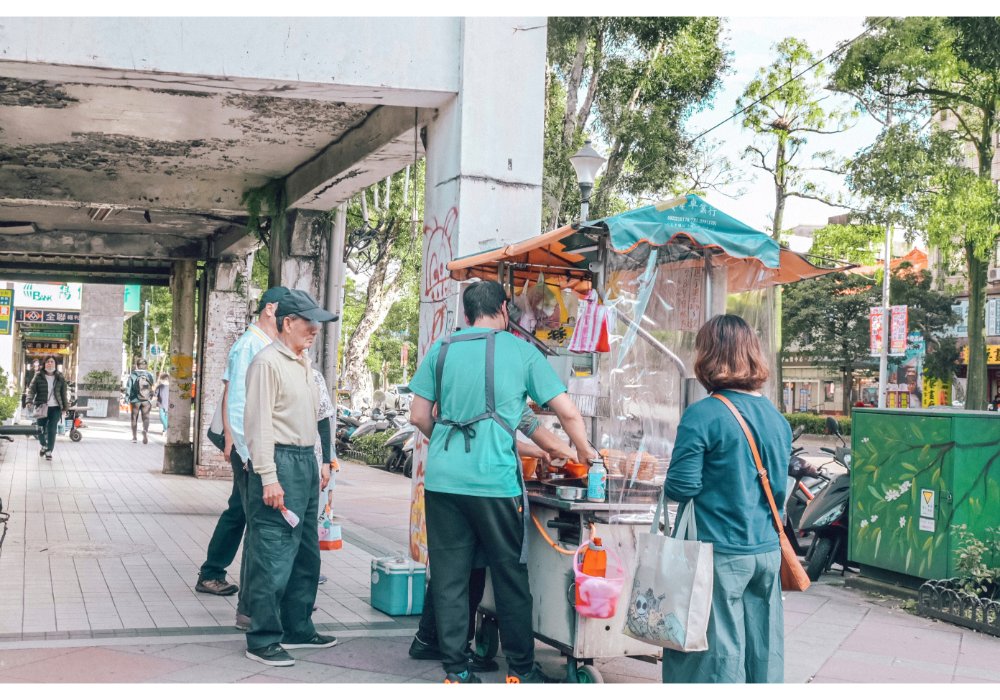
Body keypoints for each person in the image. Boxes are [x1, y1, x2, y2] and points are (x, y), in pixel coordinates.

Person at [408, 280, 594, 684]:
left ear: (466, 313)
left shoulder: (440, 350)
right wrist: (587, 455)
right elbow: (568, 413)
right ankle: (523, 670)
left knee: (450, 575)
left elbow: (419, 416)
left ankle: (456, 670)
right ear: (505, 309)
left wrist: (446, 446)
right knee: (509, 575)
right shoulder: (521, 351)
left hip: (443, 483)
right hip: (494, 485)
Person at [661, 314, 790, 684]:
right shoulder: (776, 418)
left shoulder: (703, 415)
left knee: (715, 659)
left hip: (720, 555)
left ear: (709, 356)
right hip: (765, 553)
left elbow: (681, 487)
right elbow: (779, 490)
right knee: (761, 654)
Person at [408, 408, 577, 671]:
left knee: (457, 567)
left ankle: (435, 642)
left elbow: (492, 431)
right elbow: (512, 429)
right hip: (482, 483)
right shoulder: (497, 380)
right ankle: (499, 663)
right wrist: (573, 452)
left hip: (449, 480)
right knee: (481, 569)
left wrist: (537, 451)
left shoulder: (455, 377)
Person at [242, 289, 339, 667]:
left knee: (305, 553)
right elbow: (258, 425)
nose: (316, 329)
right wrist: (268, 476)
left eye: (318, 323)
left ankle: (298, 626)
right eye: (309, 322)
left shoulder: (302, 362)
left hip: (304, 462)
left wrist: (322, 463)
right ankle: (263, 637)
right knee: (273, 553)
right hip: (279, 461)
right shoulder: (267, 363)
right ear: (287, 322)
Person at [195, 286, 287, 632]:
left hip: (249, 445)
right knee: (251, 515)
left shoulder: (262, 343)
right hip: (248, 448)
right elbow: (234, 397)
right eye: (286, 312)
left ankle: (214, 572)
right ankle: (230, 584)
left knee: (239, 511)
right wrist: (244, 449)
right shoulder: (250, 344)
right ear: (270, 309)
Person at [311, 366, 338, 584]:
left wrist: (327, 462)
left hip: (314, 460)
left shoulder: (314, 376)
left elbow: (324, 421)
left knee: (312, 520)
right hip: (283, 462)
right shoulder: (268, 367)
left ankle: (308, 572)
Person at [28, 356, 69, 461]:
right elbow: (31, 390)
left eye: (52, 362)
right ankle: (44, 445)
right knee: (40, 429)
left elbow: (63, 393)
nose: (50, 364)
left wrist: (65, 407)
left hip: (55, 408)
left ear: (55, 364)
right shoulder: (38, 376)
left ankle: (49, 450)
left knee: (52, 430)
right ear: (44, 364)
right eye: (48, 362)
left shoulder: (60, 377)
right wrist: (29, 401)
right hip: (42, 406)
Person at [125, 357, 156, 444]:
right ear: (145, 366)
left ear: (137, 366)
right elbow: (151, 386)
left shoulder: (133, 375)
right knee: (146, 417)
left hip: (135, 399)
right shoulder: (149, 375)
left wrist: (126, 399)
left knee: (134, 417)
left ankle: (134, 437)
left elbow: (128, 388)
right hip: (146, 399)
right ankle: (145, 430)